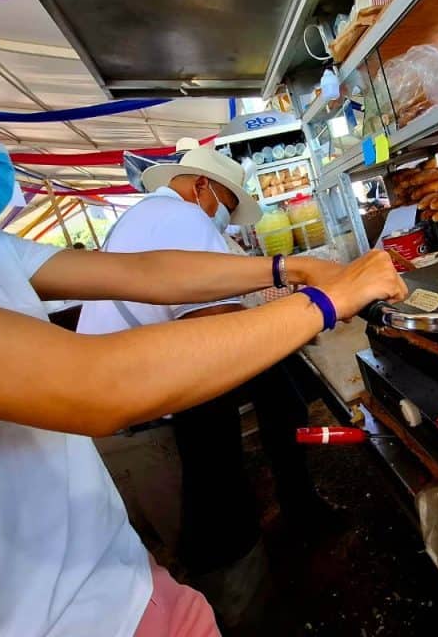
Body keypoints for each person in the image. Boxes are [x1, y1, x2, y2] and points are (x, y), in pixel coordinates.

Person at [0, 0, 408, 637]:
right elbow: (93, 382)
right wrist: (326, 302)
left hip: (112, 588)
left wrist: (287, 269)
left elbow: (145, 273)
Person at [79, 147, 327, 627]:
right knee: (219, 551)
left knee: (179, 563)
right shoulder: (185, 218)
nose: (224, 221)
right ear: (200, 187)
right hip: (150, 428)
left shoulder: (142, 218)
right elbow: (221, 332)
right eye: (226, 207)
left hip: (121, 422)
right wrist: (308, 315)